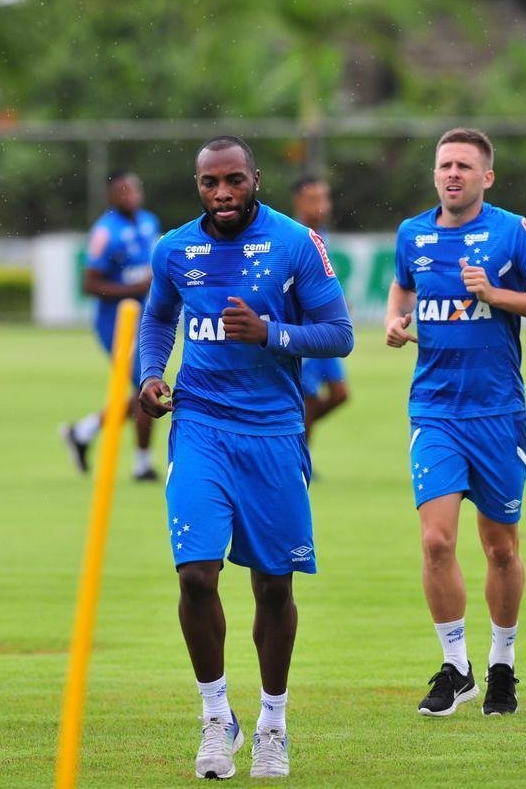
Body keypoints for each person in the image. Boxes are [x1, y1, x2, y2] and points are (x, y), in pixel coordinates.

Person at [138, 136, 353, 779]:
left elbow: (339, 334)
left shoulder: (294, 244)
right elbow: (157, 320)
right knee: (197, 576)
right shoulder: (174, 249)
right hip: (200, 424)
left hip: (274, 433)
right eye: (210, 183)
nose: (223, 194)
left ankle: (272, 724)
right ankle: (214, 717)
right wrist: (150, 375)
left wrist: (272, 334)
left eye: (234, 180)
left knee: (273, 585)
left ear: (256, 179)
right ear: (197, 185)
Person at [384, 128, 526, 718]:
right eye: (444, 165)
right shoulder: (412, 234)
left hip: (498, 413)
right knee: (436, 539)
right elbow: (401, 287)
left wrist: (495, 292)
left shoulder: (513, 231)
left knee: (500, 549)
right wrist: (395, 320)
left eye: (465, 165)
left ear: (487, 177)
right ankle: (456, 665)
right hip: (434, 410)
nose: (453, 174)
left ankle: (502, 664)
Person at [61, 170, 161, 481]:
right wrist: (136, 289)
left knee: (147, 388)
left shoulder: (149, 222)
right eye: (123, 190)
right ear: (111, 196)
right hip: (115, 324)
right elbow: (90, 284)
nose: (130, 194)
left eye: (134, 188)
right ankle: (141, 463)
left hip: (146, 320)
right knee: (148, 387)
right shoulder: (105, 232)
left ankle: (84, 431)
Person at [291, 176, 351, 443]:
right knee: (307, 396)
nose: (323, 206)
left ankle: (295, 441)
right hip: (303, 330)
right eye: (314, 199)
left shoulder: (321, 235)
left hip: (325, 328)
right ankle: (298, 462)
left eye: (325, 199)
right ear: (299, 202)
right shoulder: (292, 236)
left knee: (339, 394)